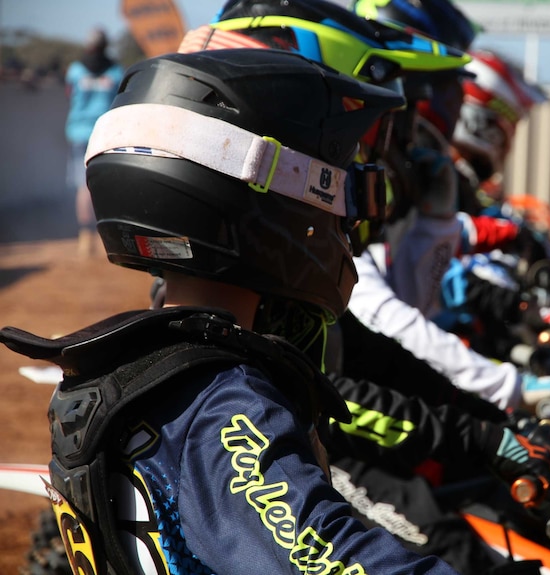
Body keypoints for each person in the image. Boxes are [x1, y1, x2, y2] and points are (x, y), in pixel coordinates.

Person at [1, 48, 486, 574]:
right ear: (276, 206)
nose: (349, 216)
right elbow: (329, 558)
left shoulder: (138, 364)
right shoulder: (224, 402)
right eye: (339, 184)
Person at [63, 27, 124, 257]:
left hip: (78, 133)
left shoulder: (76, 70)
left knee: (83, 186)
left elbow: (69, 94)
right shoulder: (116, 71)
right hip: (105, 134)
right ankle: (105, 235)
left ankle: (84, 236)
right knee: (104, 186)